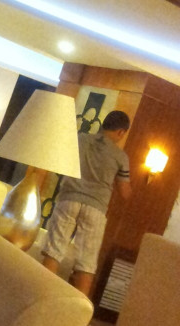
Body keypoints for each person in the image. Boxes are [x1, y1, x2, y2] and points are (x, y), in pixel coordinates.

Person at [41, 110, 132, 297]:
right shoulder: (120, 156)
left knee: (54, 250)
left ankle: (41, 295)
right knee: (86, 262)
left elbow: (61, 162)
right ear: (121, 132)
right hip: (96, 207)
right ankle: (80, 311)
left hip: (69, 198)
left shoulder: (79, 139)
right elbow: (124, 193)